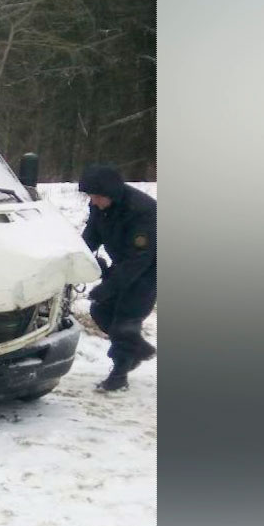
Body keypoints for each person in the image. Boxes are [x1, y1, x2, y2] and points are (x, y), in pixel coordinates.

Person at [77, 164, 156, 391]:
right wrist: (78, 258)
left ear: (111, 193)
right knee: (100, 311)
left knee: (125, 323)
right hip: (123, 266)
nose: (93, 202)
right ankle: (137, 350)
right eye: (90, 197)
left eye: (97, 197)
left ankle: (119, 376)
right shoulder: (101, 206)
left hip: (149, 270)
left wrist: (107, 288)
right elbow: (91, 235)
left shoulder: (143, 211)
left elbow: (139, 260)